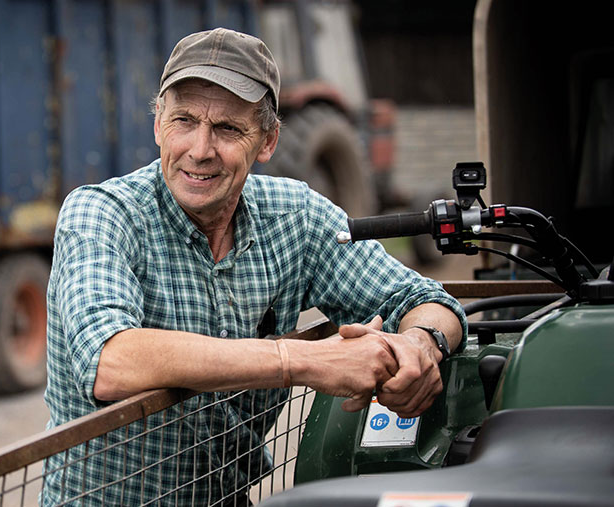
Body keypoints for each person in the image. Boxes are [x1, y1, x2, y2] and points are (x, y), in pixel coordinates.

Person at [42, 27, 465, 505]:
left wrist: (419, 346)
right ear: (158, 123)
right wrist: (303, 361)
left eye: (227, 129)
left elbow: (427, 301)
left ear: (267, 141)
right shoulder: (101, 213)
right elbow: (108, 360)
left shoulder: (295, 218)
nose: (200, 150)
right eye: (184, 120)